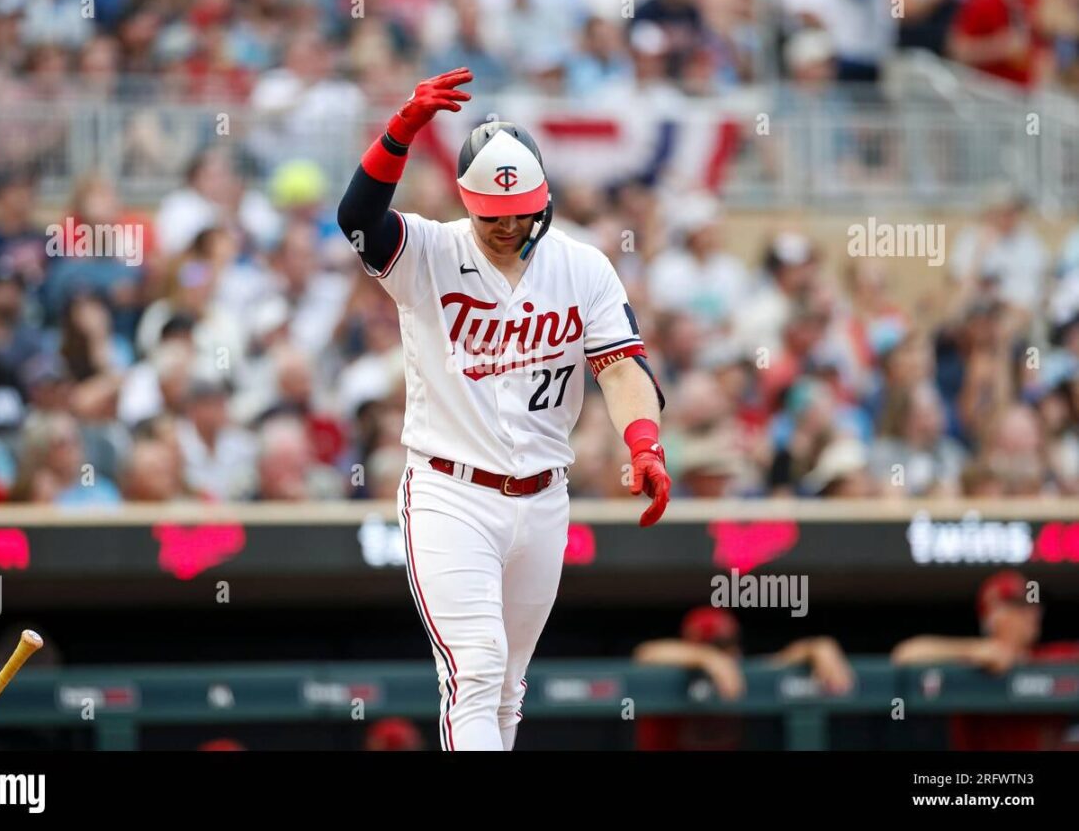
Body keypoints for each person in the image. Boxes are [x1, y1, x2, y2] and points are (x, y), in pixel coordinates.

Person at [336, 68, 670, 751]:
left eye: (524, 210)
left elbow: (622, 367)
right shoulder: (429, 251)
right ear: (467, 203)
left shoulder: (582, 266)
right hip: (450, 491)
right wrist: (399, 131)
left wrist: (644, 444)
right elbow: (357, 220)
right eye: (494, 212)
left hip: (546, 497)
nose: (510, 222)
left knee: (510, 687)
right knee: (478, 671)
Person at [892, 569, 1079, 750]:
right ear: (990, 614)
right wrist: (975, 651)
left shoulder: (1055, 656)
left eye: (1034, 604)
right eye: (1019, 605)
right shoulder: (972, 662)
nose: (1032, 613)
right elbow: (905, 654)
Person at [633, 606, 854, 750]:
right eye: (716, 645)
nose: (728, 654)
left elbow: (781, 662)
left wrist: (818, 647)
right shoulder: (673, 672)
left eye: (730, 644)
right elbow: (646, 654)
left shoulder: (738, 671)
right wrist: (707, 658)